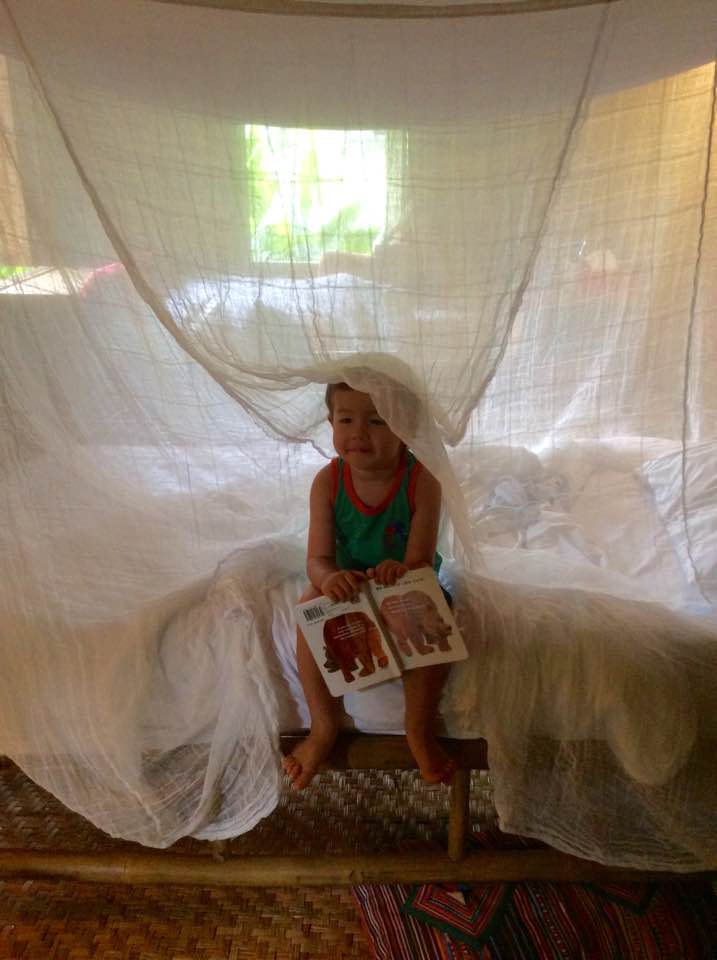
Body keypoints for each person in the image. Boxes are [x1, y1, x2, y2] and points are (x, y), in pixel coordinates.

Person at [282, 381, 455, 790]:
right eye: (346, 420)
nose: (359, 433)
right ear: (331, 423)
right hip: (348, 582)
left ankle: (418, 729)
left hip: (403, 579)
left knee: (435, 613)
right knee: (309, 606)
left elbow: (420, 560)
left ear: (404, 430)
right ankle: (323, 725)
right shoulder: (328, 482)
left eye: (377, 421)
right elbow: (317, 560)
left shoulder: (422, 481)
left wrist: (402, 570)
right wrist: (330, 577)